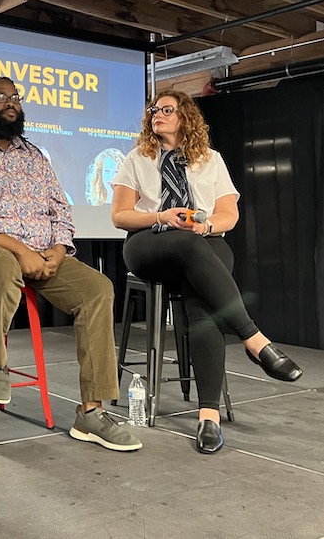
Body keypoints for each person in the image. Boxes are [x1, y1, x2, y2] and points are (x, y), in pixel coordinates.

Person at [0, 76, 142, 452]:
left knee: (98, 289)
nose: (11, 103)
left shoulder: (34, 157)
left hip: (40, 253)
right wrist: (17, 249)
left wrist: (59, 248)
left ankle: (91, 412)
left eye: (16, 97)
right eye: (1, 97)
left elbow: (60, 209)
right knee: (2, 266)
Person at [110, 89, 302, 455]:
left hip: (202, 240)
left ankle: (208, 417)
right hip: (148, 242)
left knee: (202, 294)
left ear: (186, 117)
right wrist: (161, 217)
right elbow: (120, 216)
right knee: (190, 247)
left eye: (166, 109)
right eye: (153, 110)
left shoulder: (210, 160)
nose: (157, 115)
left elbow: (229, 215)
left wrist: (205, 226)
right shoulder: (138, 158)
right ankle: (255, 340)